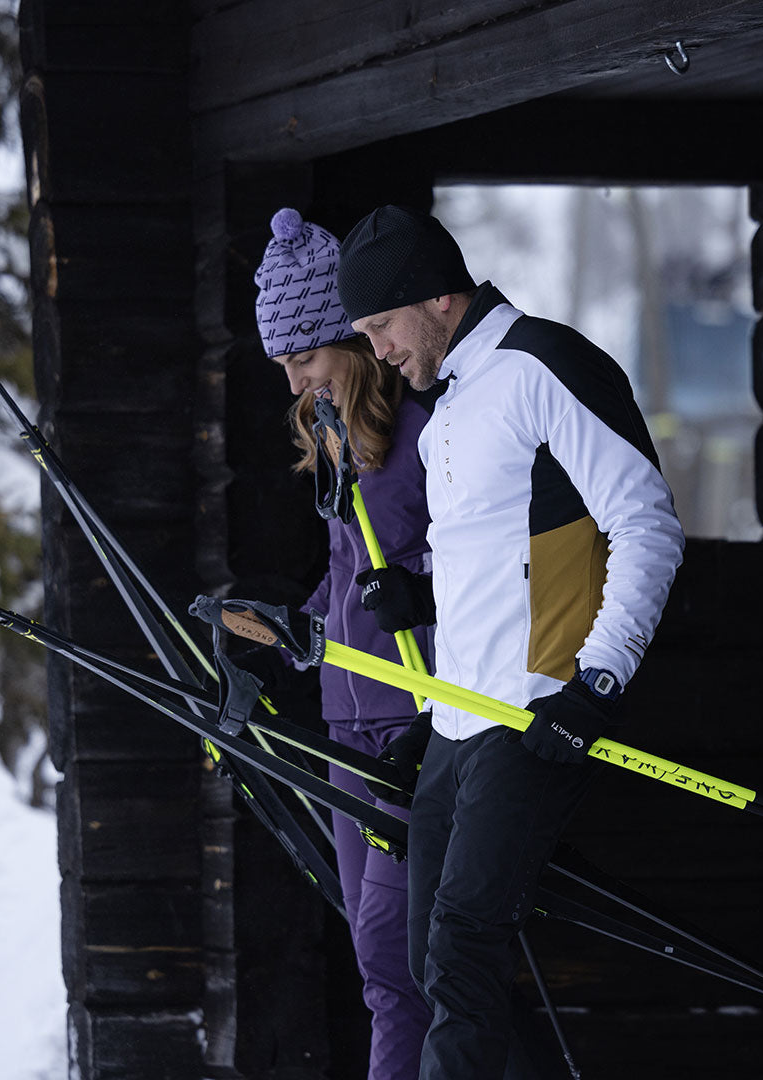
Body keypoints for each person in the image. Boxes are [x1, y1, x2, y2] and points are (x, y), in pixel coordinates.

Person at [336, 205, 686, 1079]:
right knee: (434, 959)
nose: (378, 352)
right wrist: (418, 600)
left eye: (381, 326)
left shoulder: (543, 364)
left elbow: (645, 524)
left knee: (460, 950)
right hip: (461, 721)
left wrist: (595, 684)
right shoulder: (452, 404)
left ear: (437, 299)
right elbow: (498, 564)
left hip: (536, 714)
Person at [252, 207, 434, 1080]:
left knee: (394, 959)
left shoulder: (430, 437)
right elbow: (349, 572)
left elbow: (473, 566)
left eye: (306, 359)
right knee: (379, 965)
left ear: (354, 343)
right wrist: (296, 625)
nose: (296, 381)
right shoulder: (336, 444)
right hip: (347, 724)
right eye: (284, 366)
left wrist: (423, 585)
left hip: (418, 727)